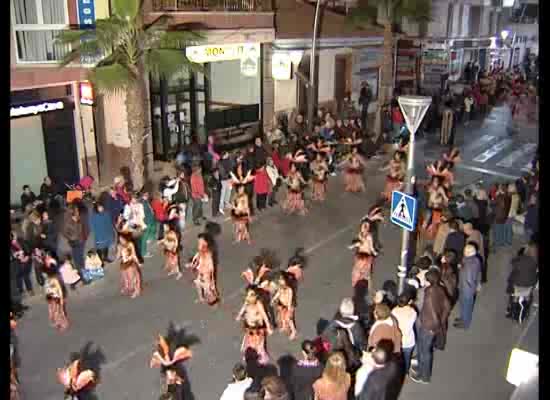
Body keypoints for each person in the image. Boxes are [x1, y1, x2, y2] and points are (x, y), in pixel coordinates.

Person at [410, 269, 451, 384]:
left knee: (424, 351)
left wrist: (433, 324)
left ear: (428, 281)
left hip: (427, 326)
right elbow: (447, 306)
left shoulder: (428, 293)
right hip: (431, 326)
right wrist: (442, 320)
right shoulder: (440, 289)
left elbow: (431, 310)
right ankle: (421, 368)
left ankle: (424, 376)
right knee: (425, 349)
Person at [236, 287, 273, 365]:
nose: (248, 297)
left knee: (258, 344)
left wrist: (268, 327)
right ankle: (249, 355)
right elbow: (243, 308)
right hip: (249, 327)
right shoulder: (247, 302)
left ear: (256, 296)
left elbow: (264, 315)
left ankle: (260, 357)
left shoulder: (258, 304)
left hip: (258, 328)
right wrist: (239, 315)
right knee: (249, 342)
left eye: (251, 295)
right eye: (247, 295)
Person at [454, 244, 482, 330]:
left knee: (466, 306)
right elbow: (478, 273)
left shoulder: (468, 265)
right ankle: (463, 318)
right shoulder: (476, 260)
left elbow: (468, 279)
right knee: (465, 305)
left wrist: (463, 290)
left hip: (466, 290)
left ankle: (465, 323)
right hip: (470, 288)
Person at [187, 233, 219, 305]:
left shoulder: (208, 253)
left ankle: (214, 299)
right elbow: (198, 256)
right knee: (198, 285)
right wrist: (193, 264)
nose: (199, 242)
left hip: (205, 273)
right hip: (201, 270)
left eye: (200, 241)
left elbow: (211, 267)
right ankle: (201, 298)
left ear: (205, 242)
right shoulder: (201, 248)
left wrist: (212, 280)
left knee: (207, 289)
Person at [391, 293, 417, 374]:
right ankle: (406, 372)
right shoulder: (412, 312)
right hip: (409, 341)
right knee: (407, 358)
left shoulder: (394, 311)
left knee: (397, 358)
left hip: (397, 341)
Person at [348, 218, 378, 288]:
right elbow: (358, 243)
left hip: (366, 257)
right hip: (360, 256)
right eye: (363, 226)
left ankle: (368, 286)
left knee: (367, 273)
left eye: (366, 227)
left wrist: (374, 252)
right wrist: (354, 245)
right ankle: (356, 283)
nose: (364, 228)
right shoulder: (360, 235)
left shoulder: (369, 237)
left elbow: (370, 247)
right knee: (357, 271)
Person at [62, 206, 88, 276]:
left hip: (81, 240)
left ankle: (84, 273)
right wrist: (71, 237)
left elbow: (84, 227)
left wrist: (85, 236)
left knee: (81, 257)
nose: (78, 212)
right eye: (76, 211)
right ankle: (81, 274)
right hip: (74, 242)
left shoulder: (79, 219)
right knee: (77, 259)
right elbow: (64, 232)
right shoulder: (68, 222)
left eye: (77, 211)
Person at [271, 272, 297, 340]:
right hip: (282, 304)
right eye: (279, 279)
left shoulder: (289, 290)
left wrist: (289, 310)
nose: (279, 281)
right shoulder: (281, 287)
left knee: (288, 318)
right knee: (282, 315)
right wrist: (274, 299)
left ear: (286, 281)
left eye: (281, 279)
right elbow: (278, 293)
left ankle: (293, 331)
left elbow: (290, 300)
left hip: (289, 305)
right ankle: (284, 325)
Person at [116, 234, 142, 298]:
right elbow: (118, 256)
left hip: (130, 262)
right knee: (126, 277)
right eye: (120, 239)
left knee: (133, 277)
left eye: (122, 239)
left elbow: (134, 254)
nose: (121, 240)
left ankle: (137, 290)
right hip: (124, 263)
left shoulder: (130, 244)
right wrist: (119, 252)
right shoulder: (119, 246)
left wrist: (138, 262)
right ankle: (129, 287)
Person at [11, 231, 34, 297]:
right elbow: (13, 254)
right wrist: (18, 258)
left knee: (26, 275)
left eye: (14, 235)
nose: (14, 237)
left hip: (26, 260)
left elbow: (28, 248)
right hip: (17, 262)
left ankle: (30, 290)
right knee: (19, 277)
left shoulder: (21, 240)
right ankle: (21, 291)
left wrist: (27, 256)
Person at [493, 183, 512, 249]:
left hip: (499, 216)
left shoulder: (500, 197)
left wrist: (496, 196)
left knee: (498, 230)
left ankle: (499, 243)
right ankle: (502, 242)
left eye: (500, 187)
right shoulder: (509, 196)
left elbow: (493, 203)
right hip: (505, 215)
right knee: (503, 230)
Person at [140, 191, 157, 258]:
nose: (147, 195)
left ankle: (150, 238)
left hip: (150, 219)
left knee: (153, 228)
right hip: (147, 221)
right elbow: (142, 215)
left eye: (147, 194)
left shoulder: (146, 201)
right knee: (144, 237)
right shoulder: (142, 204)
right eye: (146, 194)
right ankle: (144, 253)